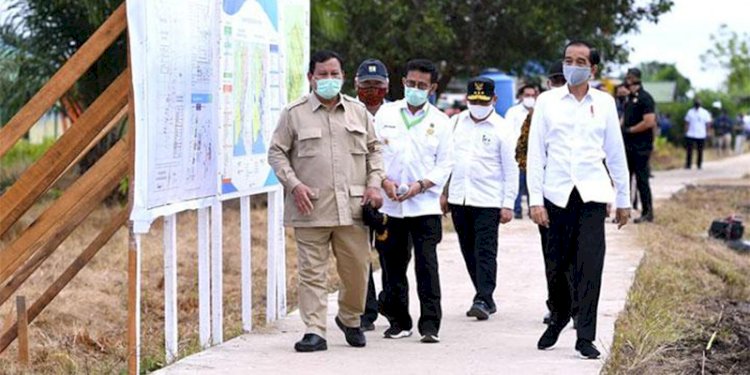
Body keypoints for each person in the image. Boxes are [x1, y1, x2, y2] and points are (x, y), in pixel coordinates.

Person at [268, 50, 385, 352]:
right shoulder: (294, 113)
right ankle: (314, 330)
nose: (329, 80)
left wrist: (374, 185)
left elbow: (375, 151)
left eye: (335, 74)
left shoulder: (359, 112)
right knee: (312, 273)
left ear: (343, 77)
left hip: (353, 208)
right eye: (323, 74)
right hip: (310, 208)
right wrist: (293, 185)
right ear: (311, 78)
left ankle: (350, 318)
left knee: (358, 271)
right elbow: (277, 153)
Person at [527, 40, 631, 359]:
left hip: (591, 195)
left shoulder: (604, 103)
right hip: (556, 194)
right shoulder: (547, 101)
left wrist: (623, 199)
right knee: (556, 266)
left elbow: (615, 153)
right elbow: (535, 153)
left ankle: (585, 335)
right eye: (568, 60)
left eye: (580, 61)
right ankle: (559, 314)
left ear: (593, 69)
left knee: (589, 265)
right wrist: (535, 200)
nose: (573, 65)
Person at [374, 58, 453, 344]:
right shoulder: (385, 114)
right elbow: (373, 154)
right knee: (392, 265)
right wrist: (384, 182)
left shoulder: (441, 122)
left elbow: (445, 165)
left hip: (425, 206)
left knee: (426, 266)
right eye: (411, 84)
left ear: (432, 88)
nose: (415, 89)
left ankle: (430, 324)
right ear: (403, 83)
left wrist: (421, 186)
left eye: (422, 85)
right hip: (390, 204)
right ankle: (398, 320)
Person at [440, 77, 518, 321]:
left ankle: (483, 297)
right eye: (473, 100)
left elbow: (511, 169)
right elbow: (447, 161)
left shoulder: (503, 129)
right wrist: (444, 192)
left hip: (488, 199)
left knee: (485, 250)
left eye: (482, 101)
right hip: (460, 198)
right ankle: (484, 295)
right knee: (468, 250)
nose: (477, 104)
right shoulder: (455, 123)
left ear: (494, 100)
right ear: (466, 99)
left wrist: (508, 204)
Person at [515, 60, 567, 325]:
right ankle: (556, 305)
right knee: (552, 256)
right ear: (548, 84)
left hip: (579, 195)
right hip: (548, 195)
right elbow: (522, 153)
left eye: (563, 81)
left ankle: (578, 307)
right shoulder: (536, 114)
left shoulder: (583, 110)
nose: (559, 86)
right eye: (555, 81)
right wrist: (537, 185)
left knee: (578, 255)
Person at [354, 58, 391, 332]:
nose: (371, 90)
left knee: (392, 257)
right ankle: (366, 312)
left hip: (393, 199)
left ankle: (388, 302)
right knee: (359, 255)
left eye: (376, 84)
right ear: (356, 84)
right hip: (359, 195)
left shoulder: (396, 116)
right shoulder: (347, 112)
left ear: (386, 86)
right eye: (366, 84)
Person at [622, 68, 657, 223]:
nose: (626, 81)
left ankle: (647, 212)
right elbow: (624, 119)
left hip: (641, 146)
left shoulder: (645, 98)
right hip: (628, 146)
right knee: (625, 179)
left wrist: (630, 130)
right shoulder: (629, 99)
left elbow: (649, 122)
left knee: (642, 180)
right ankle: (625, 210)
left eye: (628, 78)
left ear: (634, 79)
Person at [505, 84, 540, 219]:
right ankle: (517, 210)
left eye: (532, 95)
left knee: (533, 183)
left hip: (535, 154)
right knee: (517, 183)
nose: (530, 98)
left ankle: (533, 209)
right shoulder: (513, 112)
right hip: (517, 155)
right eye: (527, 95)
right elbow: (508, 133)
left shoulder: (539, 111)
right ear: (520, 96)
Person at [684, 99, 712, 169]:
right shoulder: (690, 112)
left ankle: (699, 164)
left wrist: (708, 132)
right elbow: (687, 122)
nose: (697, 104)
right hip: (691, 133)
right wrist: (686, 131)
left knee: (700, 151)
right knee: (689, 150)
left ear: (701, 104)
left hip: (701, 134)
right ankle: (688, 164)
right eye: (696, 103)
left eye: (698, 103)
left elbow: (708, 123)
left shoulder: (705, 112)